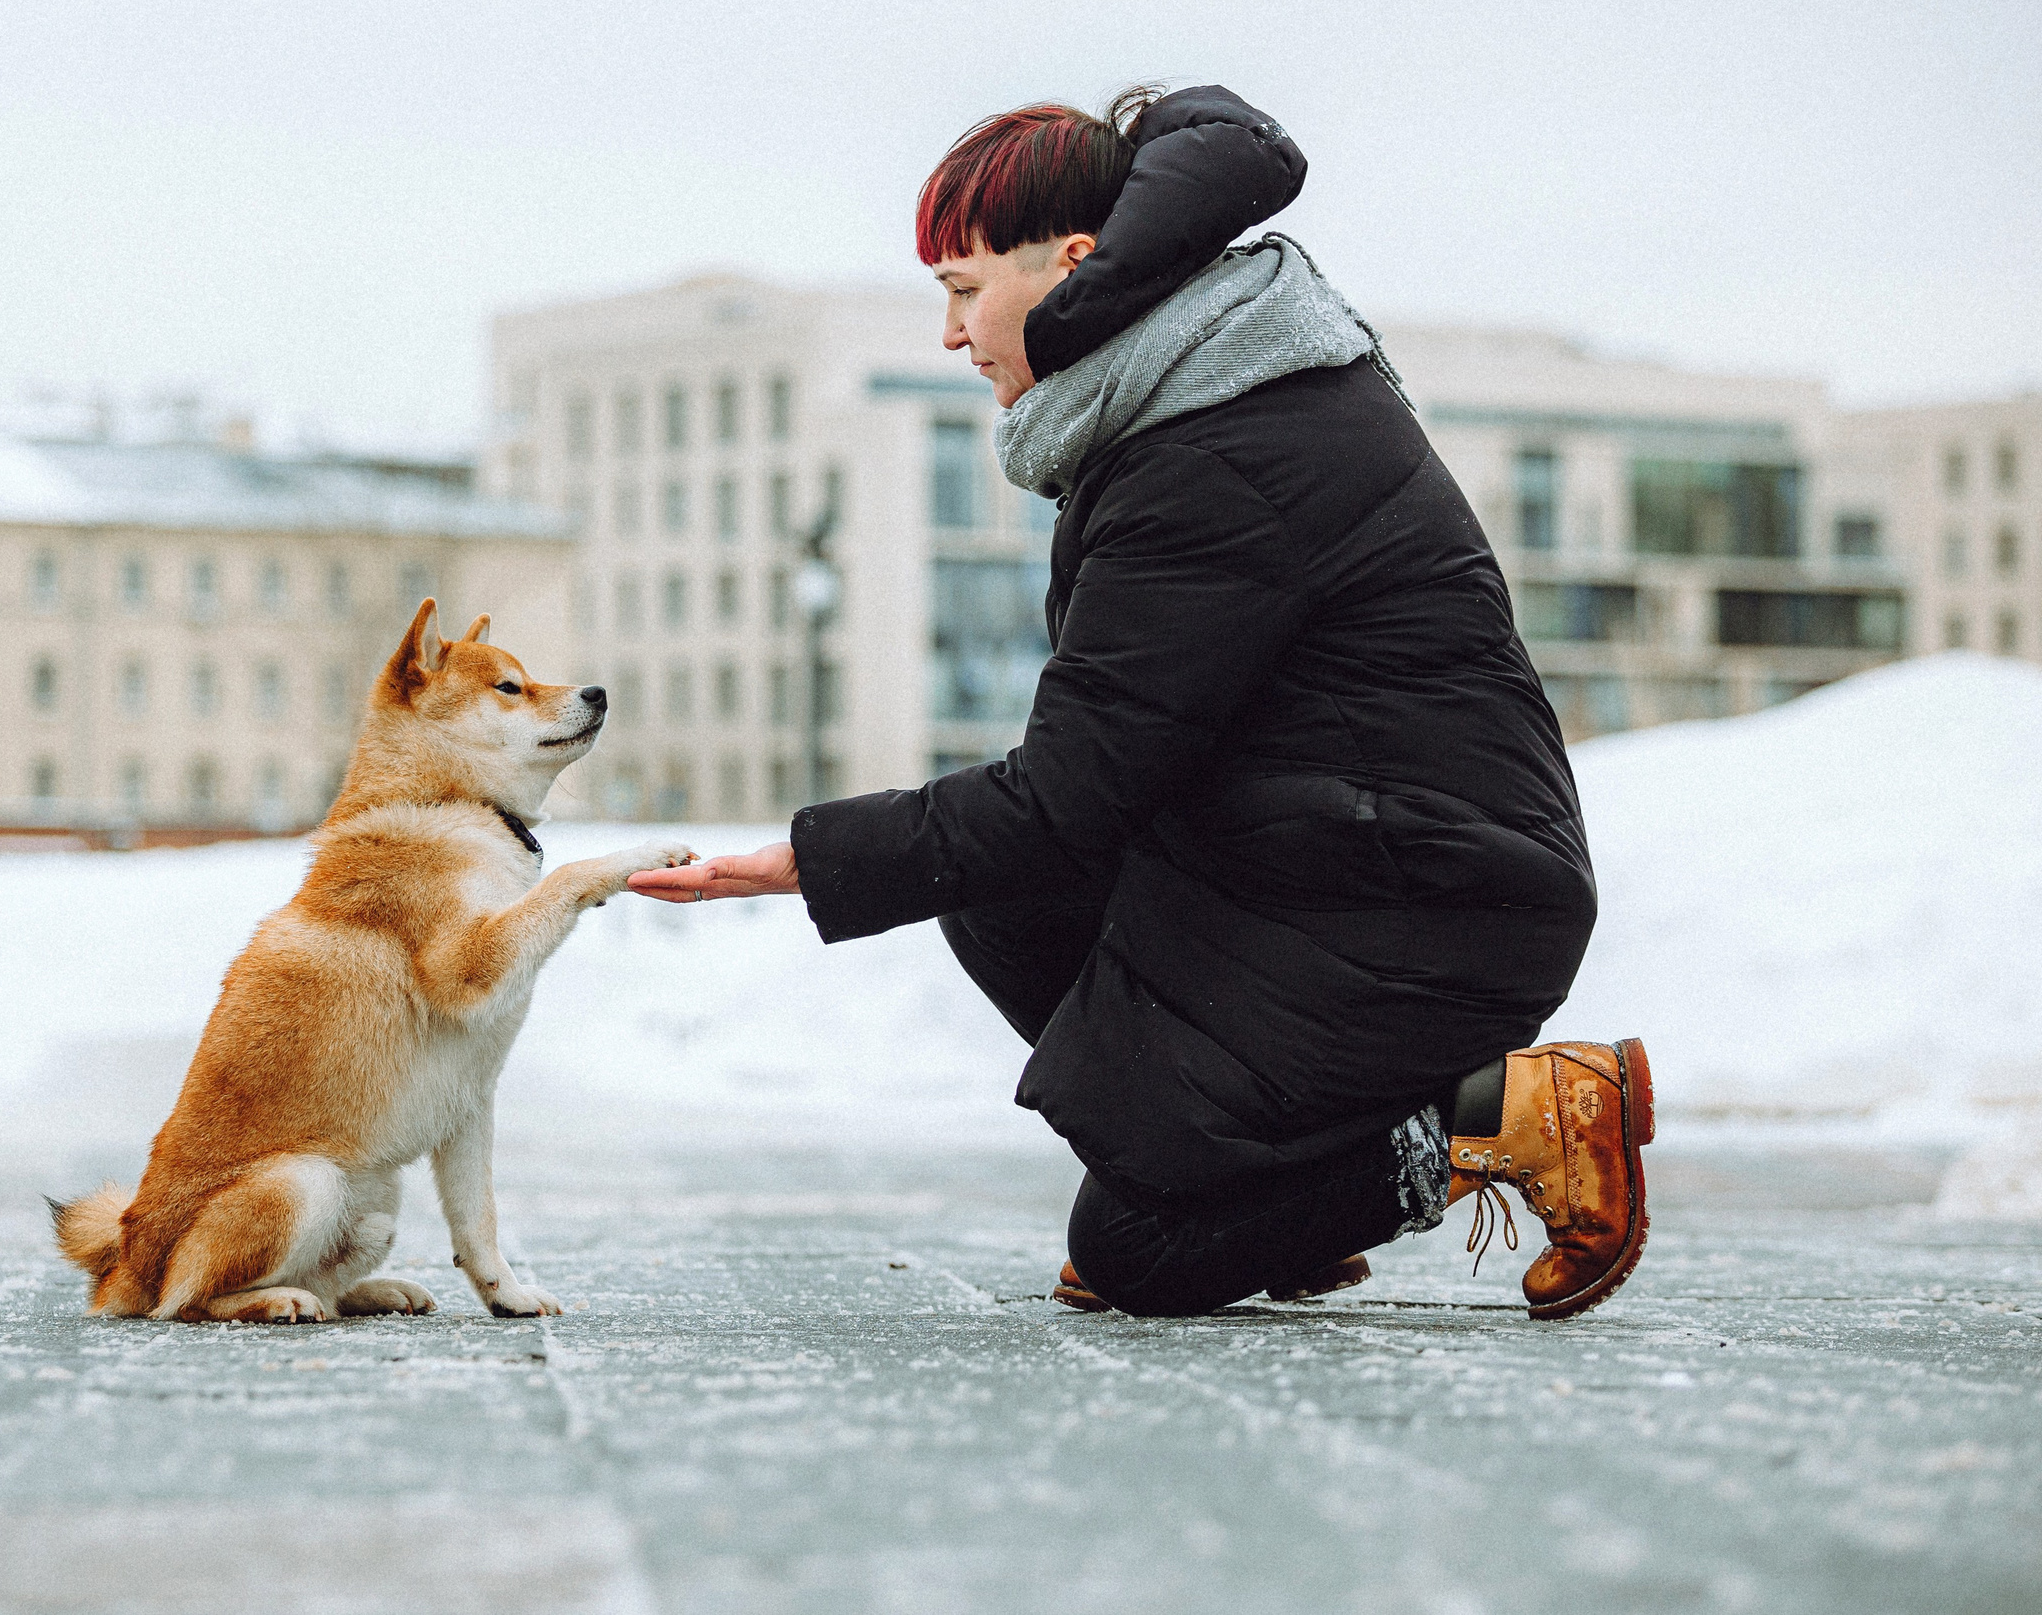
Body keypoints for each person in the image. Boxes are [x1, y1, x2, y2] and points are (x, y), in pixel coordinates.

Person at [630, 85, 1652, 1321]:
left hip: (1430, 897)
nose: (949, 334)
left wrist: (797, 860)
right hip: (1330, 847)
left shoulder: (1210, 454)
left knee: (1139, 1257)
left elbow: (1069, 793)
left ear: (1072, 271)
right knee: (1001, 895)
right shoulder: (1208, 382)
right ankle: (1262, 1206)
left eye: (962, 290)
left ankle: (1512, 1119)